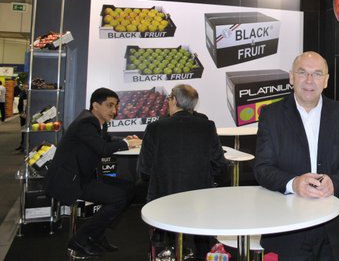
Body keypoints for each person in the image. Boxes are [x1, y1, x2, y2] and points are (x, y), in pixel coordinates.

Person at [254, 51, 339, 260]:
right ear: (291, 77)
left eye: (317, 74)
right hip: (290, 226)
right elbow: (262, 168)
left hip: (333, 223)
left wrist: (334, 182)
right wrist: (293, 183)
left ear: (326, 81)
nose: (309, 80)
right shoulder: (271, 115)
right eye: (302, 72)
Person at [45, 88, 142, 257]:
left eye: (116, 106)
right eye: (110, 105)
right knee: (118, 197)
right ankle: (79, 239)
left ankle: (96, 235)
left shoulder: (97, 122)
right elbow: (103, 148)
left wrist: (125, 140)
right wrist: (127, 144)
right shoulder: (86, 123)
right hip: (71, 181)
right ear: (95, 105)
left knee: (129, 188)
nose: (114, 110)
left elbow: (105, 140)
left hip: (84, 177)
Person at [138, 84, 228, 260]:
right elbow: (219, 164)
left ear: (174, 100)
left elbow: (145, 169)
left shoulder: (155, 127)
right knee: (203, 233)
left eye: (169, 98)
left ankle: (163, 249)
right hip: (199, 196)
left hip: (162, 196)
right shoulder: (207, 126)